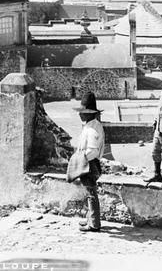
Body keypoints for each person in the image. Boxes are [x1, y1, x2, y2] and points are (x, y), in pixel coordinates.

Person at [74, 91, 105, 232]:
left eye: (82, 112)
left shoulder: (93, 129)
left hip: (90, 164)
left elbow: (93, 151)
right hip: (89, 163)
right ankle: (90, 219)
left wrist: (80, 160)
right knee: (89, 192)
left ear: (88, 113)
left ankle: (94, 224)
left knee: (91, 193)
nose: (80, 114)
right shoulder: (90, 125)